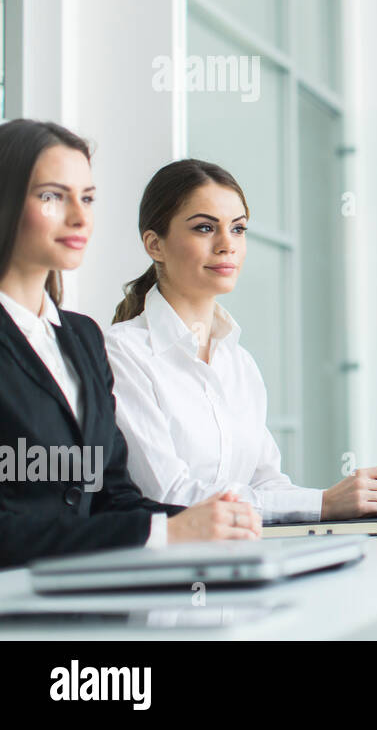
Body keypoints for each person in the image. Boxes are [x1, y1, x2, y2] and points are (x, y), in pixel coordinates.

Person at [0, 119, 262, 568]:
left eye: (87, 198)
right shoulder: (118, 346)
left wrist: (209, 525)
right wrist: (166, 530)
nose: (80, 217)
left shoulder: (81, 338)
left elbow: (112, 495)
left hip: (85, 608)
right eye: (52, 196)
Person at [107, 159, 377, 523]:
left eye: (238, 229)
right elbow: (169, 495)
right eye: (205, 228)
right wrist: (324, 503)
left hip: (245, 559)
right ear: (155, 245)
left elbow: (266, 485)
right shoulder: (120, 352)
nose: (227, 245)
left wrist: (357, 496)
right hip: (169, 570)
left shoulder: (238, 364)